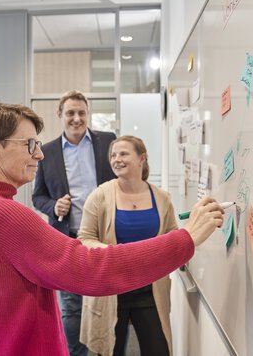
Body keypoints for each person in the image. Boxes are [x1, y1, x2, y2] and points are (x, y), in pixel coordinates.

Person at [0, 100, 224, 356]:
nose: (39, 153)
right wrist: (185, 239)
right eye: (29, 144)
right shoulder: (4, 213)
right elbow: (88, 267)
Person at [32, 90, 116, 356]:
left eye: (81, 112)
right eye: (70, 113)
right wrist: (53, 206)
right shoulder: (47, 152)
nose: (77, 118)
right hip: (67, 237)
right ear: (60, 115)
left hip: (105, 237)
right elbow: (38, 196)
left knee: (108, 302)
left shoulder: (108, 142)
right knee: (71, 306)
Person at [77, 135, 177, 356]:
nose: (116, 159)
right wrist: (117, 254)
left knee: (159, 349)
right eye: (113, 155)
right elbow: (84, 238)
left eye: (123, 154)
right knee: (110, 350)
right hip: (111, 289)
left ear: (142, 158)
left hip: (150, 290)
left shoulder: (162, 198)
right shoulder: (100, 196)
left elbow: (172, 236)